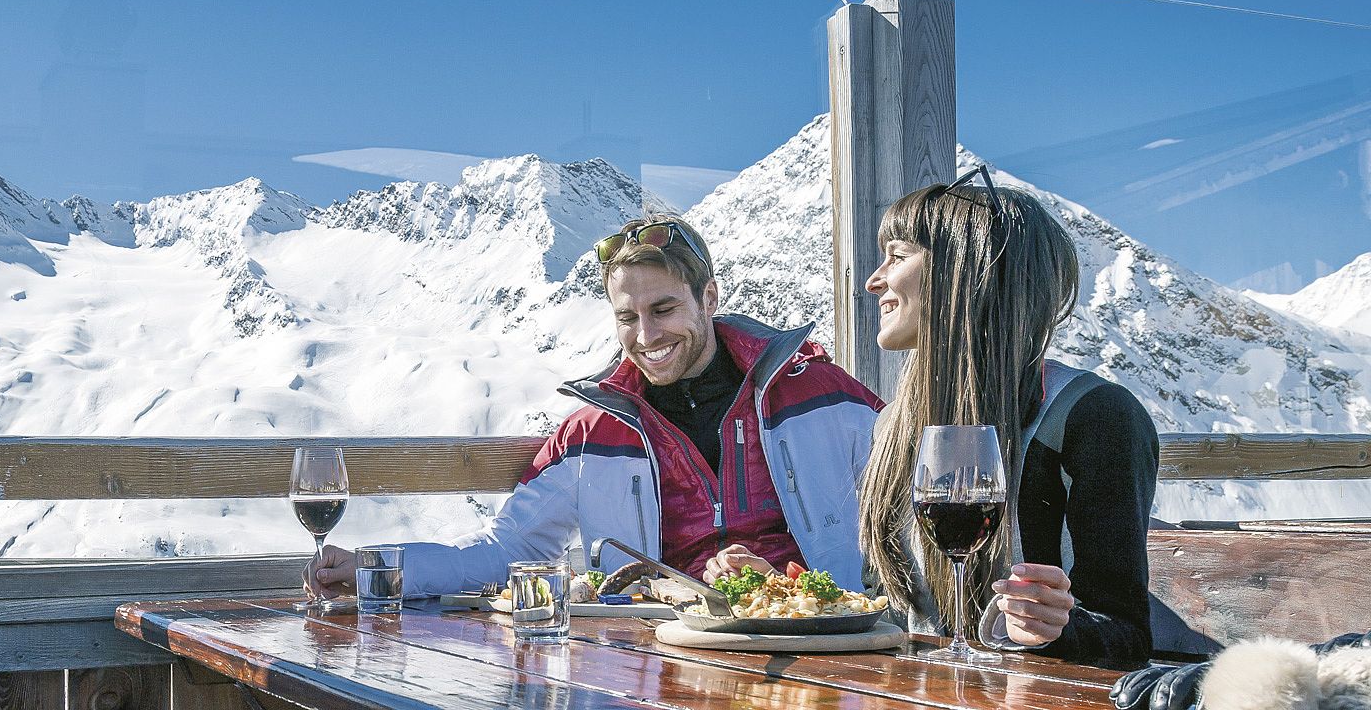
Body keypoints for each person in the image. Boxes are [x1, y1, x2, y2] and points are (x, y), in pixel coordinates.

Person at [303, 215, 883, 602]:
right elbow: (512, 550)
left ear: (709, 297)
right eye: (627, 317)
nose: (647, 335)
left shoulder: (818, 394)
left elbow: (914, 504)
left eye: (664, 309)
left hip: (819, 648)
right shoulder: (595, 431)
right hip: (654, 662)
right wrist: (377, 567)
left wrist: (807, 590)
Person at [859, 166, 1158, 669]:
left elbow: (1126, 636)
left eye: (898, 256)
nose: (873, 280)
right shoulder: (894, 425)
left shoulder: (1093, 415)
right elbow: (889, 602)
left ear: (964, 270)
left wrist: (1050, 626)